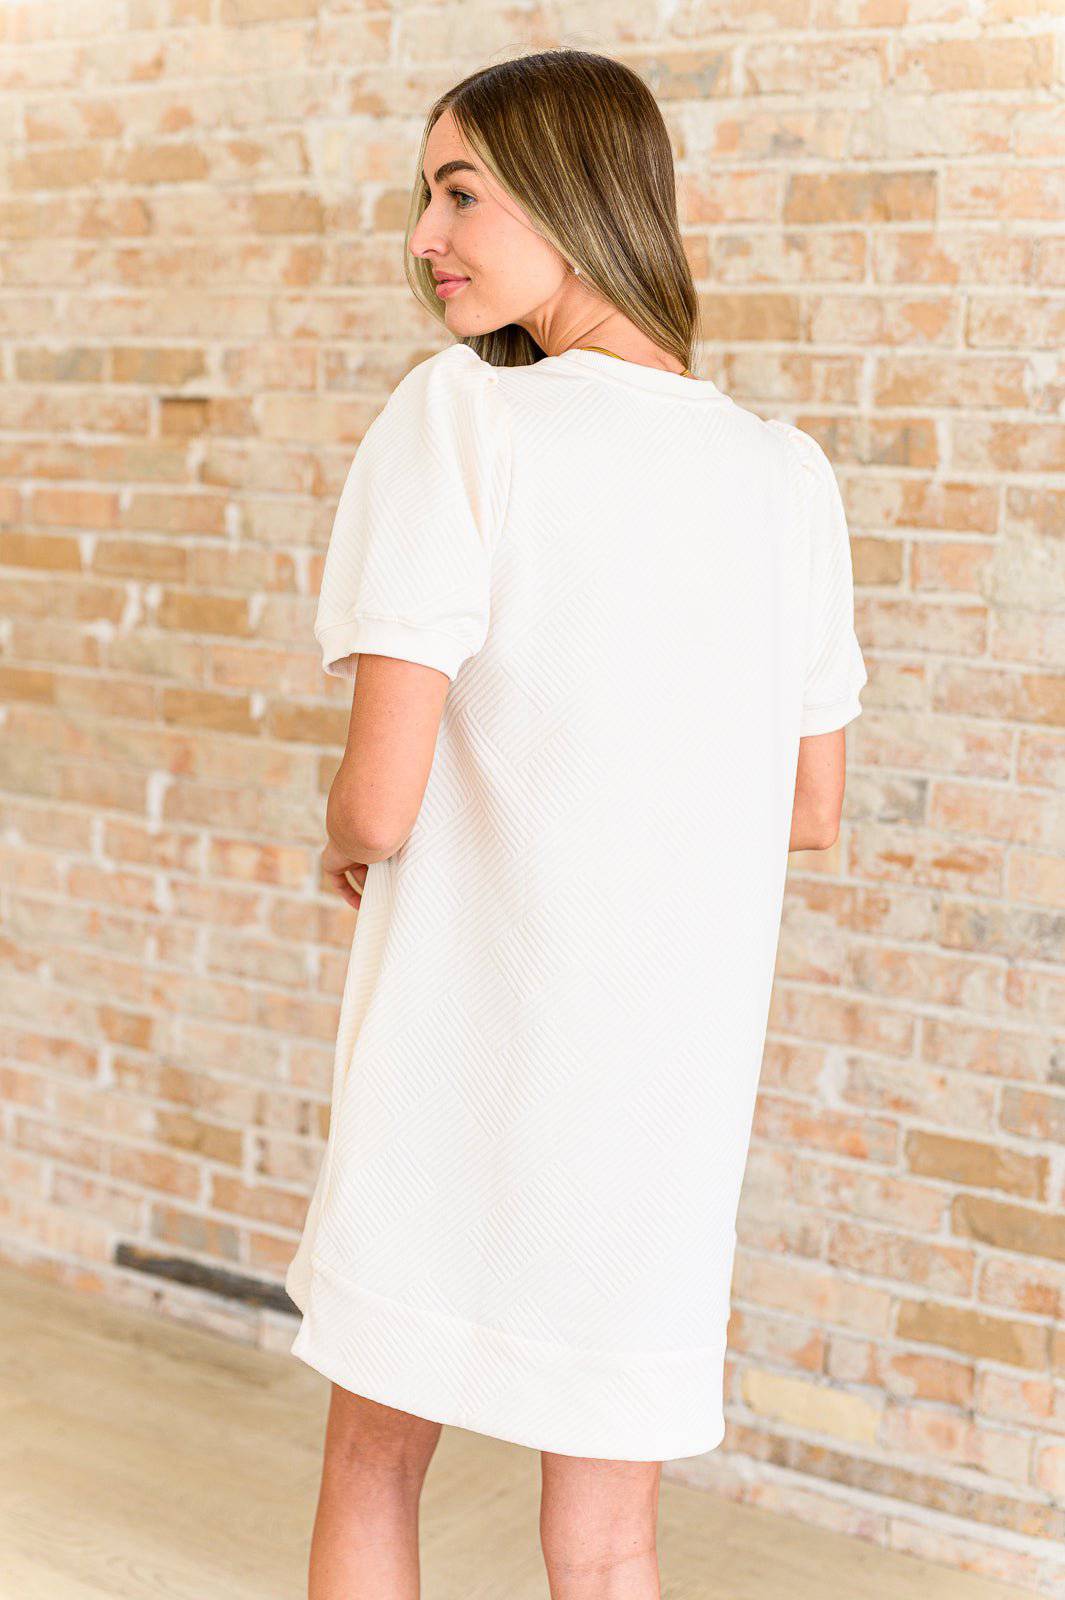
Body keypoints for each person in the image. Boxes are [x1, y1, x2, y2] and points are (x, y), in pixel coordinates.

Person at [284, 46, 867, 1600]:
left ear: (573, 195)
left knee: (373, 1464)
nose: (426, 237)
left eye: (458, 193)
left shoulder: (463, 419)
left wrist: (347, 834)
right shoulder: (782, 476)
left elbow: (380, 797)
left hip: (465, 1055)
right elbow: (809, 809)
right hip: (660, 1096)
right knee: (611, 1539)